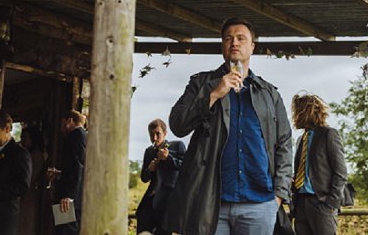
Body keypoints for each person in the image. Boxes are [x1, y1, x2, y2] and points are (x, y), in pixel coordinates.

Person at [165, 17, 293, 235]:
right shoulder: (200, 84)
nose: (234, 42)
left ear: (252, 46)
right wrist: (213, 93)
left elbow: (284, 144)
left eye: (241, 38)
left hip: (261, 204)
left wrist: (279, 195)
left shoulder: (269, 93)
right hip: (210, 202)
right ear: (222, 46)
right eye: (228, 38)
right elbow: (178, 125)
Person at [290, 92, 347, 235]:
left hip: (322, 204)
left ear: (306, 111)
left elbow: (341, 173)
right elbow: (304, 170)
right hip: (300, 204)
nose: (294, 115)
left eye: (297, 110)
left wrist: (331, 204)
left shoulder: (329, 134)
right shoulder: (300, 139)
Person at [136, 118, 186, 234]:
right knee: (141, 221)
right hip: (150, 200)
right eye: (151, 134)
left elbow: (186, 168)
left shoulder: (177, 146)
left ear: (165, 133)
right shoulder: (148, 151)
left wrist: (168, 158)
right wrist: (149, 169)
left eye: (157, 134)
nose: (154, 138)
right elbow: (144, 178)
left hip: (168, 201)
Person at [54, 110, 87, 235]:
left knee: (65, 231)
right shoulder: (83, 135)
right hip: (73, 196)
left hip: (69, 199)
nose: (61, 129)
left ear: (69, 120)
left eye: (62, 124)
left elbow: (76, 166)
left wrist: (69, 195)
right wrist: (60, 173)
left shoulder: (76, 135)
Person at [18, 124, 47, 235]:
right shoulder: (30, 154)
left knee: (26, 225)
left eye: (24, 138)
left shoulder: (36, 156)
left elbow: (30, 178)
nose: (21, 141)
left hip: (29, 197)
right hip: (27, 196)